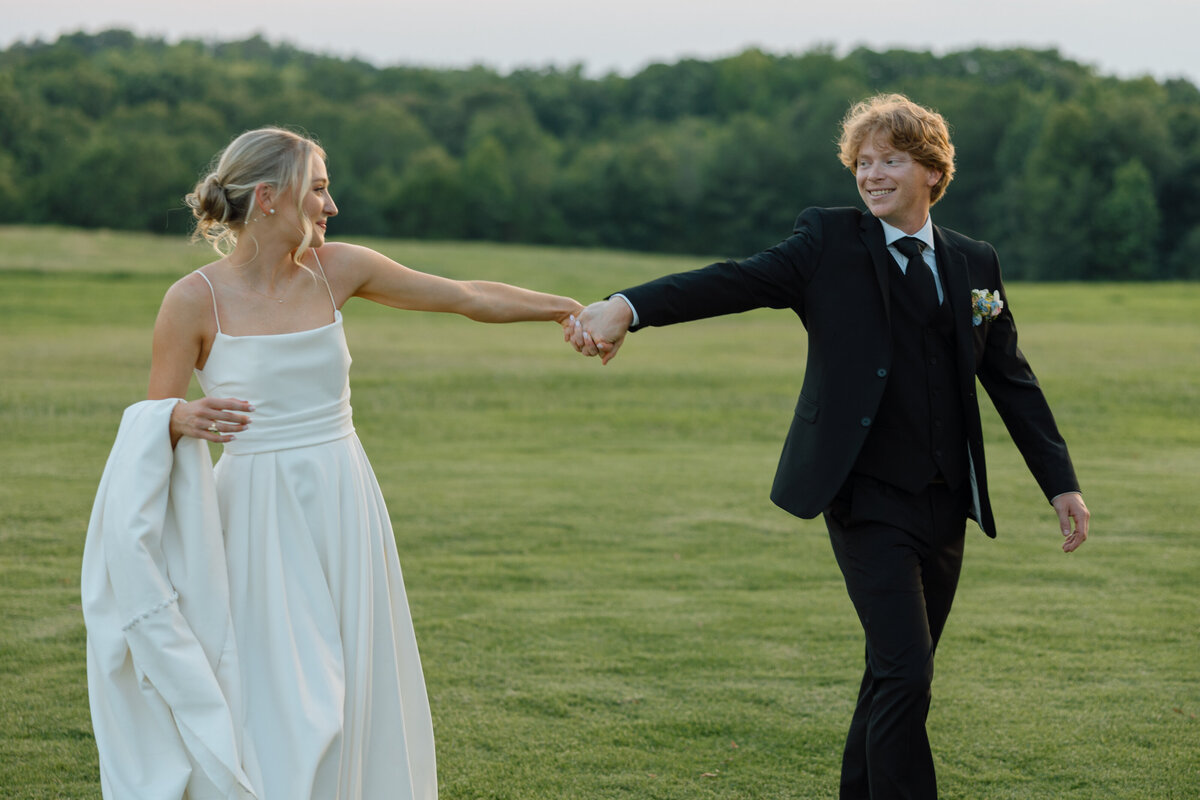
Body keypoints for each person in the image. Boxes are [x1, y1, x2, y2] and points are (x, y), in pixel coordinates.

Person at [567, 93, 1090, 800]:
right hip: (863, 496)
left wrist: (1060, 482)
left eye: (890, 161)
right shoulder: (828, 243)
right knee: (907, 673)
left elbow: (1011, 379)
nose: (871, 175)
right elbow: (733, 280)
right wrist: (628, 307)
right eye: (862, 163)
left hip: (944, 502)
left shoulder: (974, 263)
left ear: (933, 171)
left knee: (890, 673)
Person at [83, 126, 582, 800]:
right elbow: (152, 426)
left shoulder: (337, 268)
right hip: (256, 516)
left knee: (351, 681)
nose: (332, 204)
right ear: (268, 197)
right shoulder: (191, 300)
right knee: (284, 696)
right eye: (318, 188)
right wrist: (175, 419)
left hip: (344, 499)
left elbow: (463, 295)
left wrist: (564, 310)